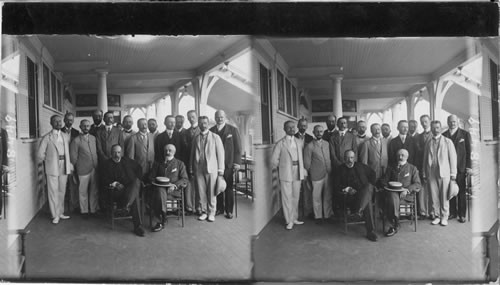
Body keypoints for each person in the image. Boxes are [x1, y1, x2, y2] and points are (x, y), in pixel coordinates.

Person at [101, 144, 145, 237]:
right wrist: (115, 183)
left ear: (122, 153)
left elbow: (139, 168)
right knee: (135, 198)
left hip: (130, 189)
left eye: (119, 152)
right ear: (111, 153)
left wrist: (137, 179)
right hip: (117, 192)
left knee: (136, 183)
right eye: (114, 152)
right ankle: (138, 227)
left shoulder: (127, 161)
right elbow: (103, 180)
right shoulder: (106, 164)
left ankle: (126, 206)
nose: (117, 155)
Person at [271, 120, 306, 230]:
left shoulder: (298, 141)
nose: (292, 129)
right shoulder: (280, 143)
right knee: (287, 197)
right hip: (286, 172)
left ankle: (294, 218)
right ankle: (288, 220)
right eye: (289, 127)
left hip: (297, 170)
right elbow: (273, 160)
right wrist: (282, 168)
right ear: (284, 129)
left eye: (293, 127)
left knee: (296, 196)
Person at [38, 115, 72, 224]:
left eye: (59, 121)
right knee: (53, 191)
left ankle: (60, 212)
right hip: (52, 166)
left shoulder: (65, 136)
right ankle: (54, 215)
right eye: (55, 121)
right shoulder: (47, 137)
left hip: (64, 164)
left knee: (62, 190)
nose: (58, 123)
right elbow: (40, 154)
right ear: (51, 123)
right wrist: (48, 161)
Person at [190, 116, 225, 222]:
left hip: (212, 169)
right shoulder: (196, 138)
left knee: (212, 191)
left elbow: (221, 154)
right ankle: (204, 211)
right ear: (199, 124)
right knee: (200, 192)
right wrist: (191, 168)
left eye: (205, 123)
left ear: (208, 124)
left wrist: (220, 170)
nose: (202, 125)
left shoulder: (215, 137)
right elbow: (192, 154)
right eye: (200, 123)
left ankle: (211, 212)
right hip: (198, 168)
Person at [338, 150, 378, 241]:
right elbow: (336, 185)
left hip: (364, 193)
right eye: (347, 157)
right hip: (351, 197)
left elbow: (373, 174)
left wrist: (372, 185)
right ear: (344, 158)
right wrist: (347, 188)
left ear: (354, 158)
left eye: (352, 157)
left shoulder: (360, 166)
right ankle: (370, 232)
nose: (350, 160)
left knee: (368, 188)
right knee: (367, 202)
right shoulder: (340, 169)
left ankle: (359, 211)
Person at [423, 120, 457, 226]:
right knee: (434, 196)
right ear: (431, 129)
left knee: (444, 195)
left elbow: (453, 158)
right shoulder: (428, 142)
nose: (435, 130)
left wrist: (453, 174)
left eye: (437, 127)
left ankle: (444, 216)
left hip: (444, 173)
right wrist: (424, 173)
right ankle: (437, 215)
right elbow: (425, 159)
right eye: (433, 128)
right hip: (431, 172)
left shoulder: (447, 142)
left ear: (441, 128)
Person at [210, 110, 242, 219]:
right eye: (217, 117)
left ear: (225, 117)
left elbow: (238, 148)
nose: (219, 119)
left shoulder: (232, 130)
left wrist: (237, 163)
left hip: (228, 164)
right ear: (215, 118)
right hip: (215, 164)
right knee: (217, 186)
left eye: (222, 117)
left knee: (228, 187)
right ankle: (219, 208)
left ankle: (229, 210)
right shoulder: (211, 131)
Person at [149, 144, 189, 232]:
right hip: (159, 189)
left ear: (174, 152)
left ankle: (161, 219)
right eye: (166, 150)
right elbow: (151, 177)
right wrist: (158, 182)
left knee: (159, 195)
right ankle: (162, 218)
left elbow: (185, 179)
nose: (167, 152)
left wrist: (175, 185)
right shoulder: (157, 163)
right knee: (160, 191)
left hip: (173, 192)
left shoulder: (179, 163)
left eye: (170, 150)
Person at [381, 149, 421, 236]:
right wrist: (388, 186)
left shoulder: (412, 168)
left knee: (392, 199)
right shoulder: (391, 167)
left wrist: (407, 190)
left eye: (402, 155)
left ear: (407, 157)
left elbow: (418, 184)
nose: (400, 157)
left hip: (405, 195)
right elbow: (384, 180)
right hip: (392, 193)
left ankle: (394, 223)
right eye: (398, 155)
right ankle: (395, 223)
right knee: (392, 196)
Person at [442, 115, 472, 223]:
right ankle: (453, 213)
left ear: (457, 122)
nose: (452, 123)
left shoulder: (465, 134)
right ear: (447, 122)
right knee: (450, 190)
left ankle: (462, 214)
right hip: (448, 168)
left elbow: (469, 152)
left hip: (461, 168)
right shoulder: (444, 135)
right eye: (450, 122)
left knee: (461, 191)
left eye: (454, 122)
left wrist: (469, 167)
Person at [303, 125, 333, 223]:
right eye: (317, 131)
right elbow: (307, 164)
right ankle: (318, 216)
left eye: (321, 131)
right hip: (316, 174)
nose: (319, 133)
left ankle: (327, 215)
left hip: (328, 173)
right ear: (313, 132)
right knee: (316, 196)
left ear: (323, 133)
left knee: (328, 195)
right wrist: (311, 173)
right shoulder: (309, 146)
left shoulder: (326, 144)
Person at [70, 119, 99, 217]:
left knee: (94, 190)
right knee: (83, 191)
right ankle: (84, 211)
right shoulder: (76, 140)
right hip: (83, 169)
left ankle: (93, 209)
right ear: (80, 127)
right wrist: (76, 168)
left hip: (94, 168)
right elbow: (73, 157)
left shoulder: (93, 138)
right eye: (84, 126)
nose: (86, 128)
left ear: (90, 127)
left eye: (88, 126)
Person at [294, 118, 314, 219]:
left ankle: (307, 211)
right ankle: (296, 213)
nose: (303, 127)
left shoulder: (311, 138)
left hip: (306, 167)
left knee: (307, 190)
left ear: (307, 127)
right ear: (297, 126)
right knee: (296, 191)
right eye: (301, 125)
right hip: (296, 167)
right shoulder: (293, 137)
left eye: (304, 126)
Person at [61, 112, 80, 213]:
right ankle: (63, 207)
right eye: (67, 120)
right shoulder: (59, 131)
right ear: (64, 120)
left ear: (73, 121)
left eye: (71, 120)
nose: (69, 122)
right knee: (63, 185)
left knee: (73, 184)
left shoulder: (77, 133)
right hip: (62, 161)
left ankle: (74, 206)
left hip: (72, 161)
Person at [415, 115, 433, 219]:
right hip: (421, 165)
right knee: (421, 189)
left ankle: (432, 211)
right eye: (422, 122)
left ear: (429, 121)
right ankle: (422, 211)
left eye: (426, 121)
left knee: (432, 189)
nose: (424, 124)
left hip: (432, 166)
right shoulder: (418, 136)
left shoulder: (435, 135)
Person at [183, 110, 201, 215]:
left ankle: (199, 207)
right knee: (189, 184)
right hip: (188, 160)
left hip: (200, 161)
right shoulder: (186, 132)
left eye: (193, 116)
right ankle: (189, 207)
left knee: (200, 185)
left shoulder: (202, 129)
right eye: (189, 117)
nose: (191, 119)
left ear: (196, 117)